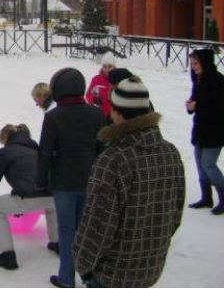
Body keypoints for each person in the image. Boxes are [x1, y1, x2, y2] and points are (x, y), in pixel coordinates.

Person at [73, 75, 185, 287]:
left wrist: (82, 264)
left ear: (117, 113)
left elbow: (97, 225)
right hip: (150, 270)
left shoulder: (113, 159)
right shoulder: (170, 153)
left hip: (110, 275)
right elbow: (175, 214)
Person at [37, 68, 106, 288]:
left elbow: (45, 152)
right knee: (87, 230)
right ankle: (90, 276)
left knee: (67, 231)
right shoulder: (96, 114)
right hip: (91, 180)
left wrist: (40, 180)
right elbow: (102, 148)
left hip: (64, 182)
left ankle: (66, 278)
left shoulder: (53, 116)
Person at [0, 123, 58, 270]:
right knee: (52, 207)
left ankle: (6, 255)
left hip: (28, 197)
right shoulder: (38, 151)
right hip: (52, 196)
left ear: (7, 138)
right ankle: (59, 243)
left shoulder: (5, 152)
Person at [185, 48, 224, 215]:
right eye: (192, 64)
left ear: (205, 63)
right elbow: (196, 102)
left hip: (215, 131)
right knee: (200, 165)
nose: (193, 67)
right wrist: (190, 107)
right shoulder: (198, 80)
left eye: (196, 63)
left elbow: (219, 108)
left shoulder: (218, 81)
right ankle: (206, 197)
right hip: (200, 130)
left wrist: (197, 106)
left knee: (208, 164)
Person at [85, 52, 116, 119]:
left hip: (114, 115)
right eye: (105, 67)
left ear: (114, 67)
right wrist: (93, 99)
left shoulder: (118, 79)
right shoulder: (96, 79)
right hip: (99, 114)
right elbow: (88, 95)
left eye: (110, 67)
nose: (107, 69)